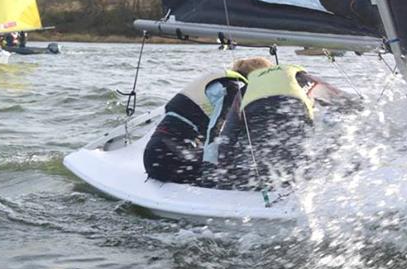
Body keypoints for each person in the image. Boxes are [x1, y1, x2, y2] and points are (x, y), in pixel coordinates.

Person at [215, 59, 355, 189]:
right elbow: (337, 98)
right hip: (294, 131)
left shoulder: (244, 91)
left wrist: (224, 175)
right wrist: (364, 110)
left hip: (260, 149)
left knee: (265, 167)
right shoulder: (295, 76)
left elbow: (228, 136)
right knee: (302, 163)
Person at [142, 57, 271, 184]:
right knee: (239, 173)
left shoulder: (222, 82)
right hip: (168, 158)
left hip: (156, 154)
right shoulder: (232, 89)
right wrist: (210, 170)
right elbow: (216, 131)